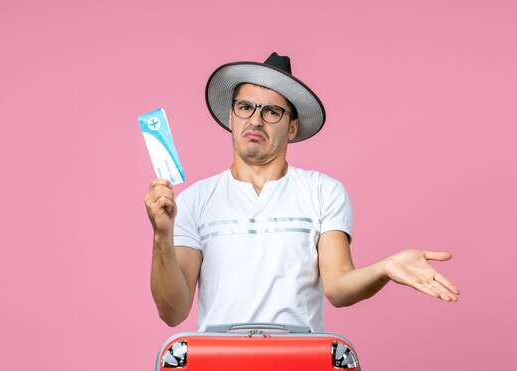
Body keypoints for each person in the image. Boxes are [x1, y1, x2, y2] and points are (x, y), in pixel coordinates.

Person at [144, 52, 460, 331]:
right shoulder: (194, 201)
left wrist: (384, 267)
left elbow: (337, 287)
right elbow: (173, 312)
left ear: (292, 127)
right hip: (218, 366)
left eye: (271, 112)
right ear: (231, 116)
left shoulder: (323, 192)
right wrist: (162, 235)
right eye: (245, 107)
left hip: (300, 366)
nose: (255, 119)